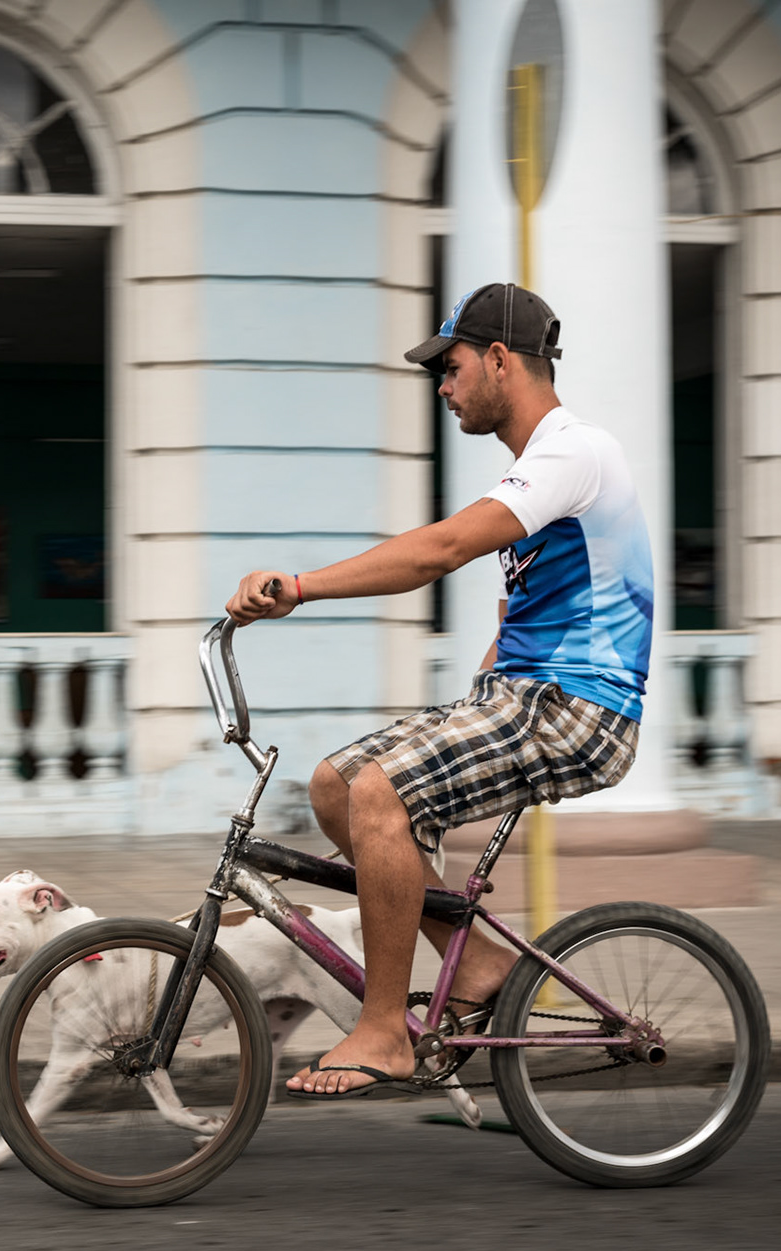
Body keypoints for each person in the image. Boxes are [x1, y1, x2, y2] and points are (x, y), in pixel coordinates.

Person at [224, 283, 653, 1098]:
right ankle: (483, 963)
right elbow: (530, 601)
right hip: (522, 696)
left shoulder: (574, 450)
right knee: (335, 785)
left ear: (498, 359)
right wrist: (480, 692)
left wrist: (300, 587)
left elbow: (441, 549)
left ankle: (384, 1030)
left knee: (382, 792)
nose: (443, 386)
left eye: (450, 368)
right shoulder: (543, 468)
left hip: (576, 708)